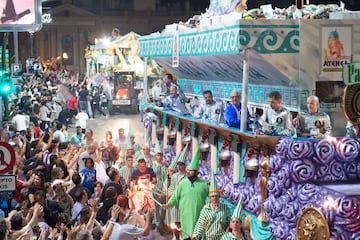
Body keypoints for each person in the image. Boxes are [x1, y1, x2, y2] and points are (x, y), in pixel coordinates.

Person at [163, 147, 209, 240]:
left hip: (199, 217)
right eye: (189, 170)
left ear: (196, 172)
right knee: (186, 236)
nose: (189, 172)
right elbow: (175, 197)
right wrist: (168, 204)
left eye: (192, 171)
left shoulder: (204, 184)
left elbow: (210, 197)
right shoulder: (183, 184)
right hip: (185, 215)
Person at [192, 173, 230, 240]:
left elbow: (229, 222)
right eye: (212, 196)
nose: (214, 198)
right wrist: (195, 236)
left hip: (222, 238)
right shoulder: (205, 209)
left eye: (216, 196)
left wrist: (228, 229)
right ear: (209, 197)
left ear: (219, 197)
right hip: (209, 238)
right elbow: (200, 225)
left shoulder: (225, 208)